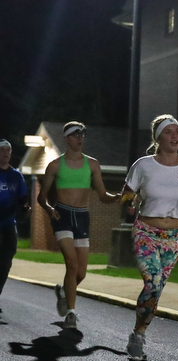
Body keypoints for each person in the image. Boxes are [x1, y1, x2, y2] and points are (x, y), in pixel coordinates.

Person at [122, 115, 178, 361]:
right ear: (158, 138)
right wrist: (129, 205)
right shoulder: (143, 165)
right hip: (146, 232)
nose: (175, 136)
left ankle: (138, 331)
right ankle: (139, 337)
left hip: (174, 237)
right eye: (169, 132)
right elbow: (127, 193)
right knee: (152, 283)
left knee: (156, 289)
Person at [37, 122, 120, 329]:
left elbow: (102, 195)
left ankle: (64, 291)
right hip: (62, 215)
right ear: (66, 138)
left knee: (81, 272)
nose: (79, 137)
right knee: (72, 265)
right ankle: (71, 314)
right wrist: (49, 209)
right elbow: (41, 197)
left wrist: (116, 197)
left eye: (81, 134)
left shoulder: (92, 164)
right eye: (74, 135)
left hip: (82, 217)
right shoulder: (55, 165)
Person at [0, 139, 30, 313]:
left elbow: (22, 198)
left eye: (8, 150)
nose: (5, 153)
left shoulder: (16, 176)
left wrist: (26, 207)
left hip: (8, 222)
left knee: (6, 260)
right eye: (2, 150)